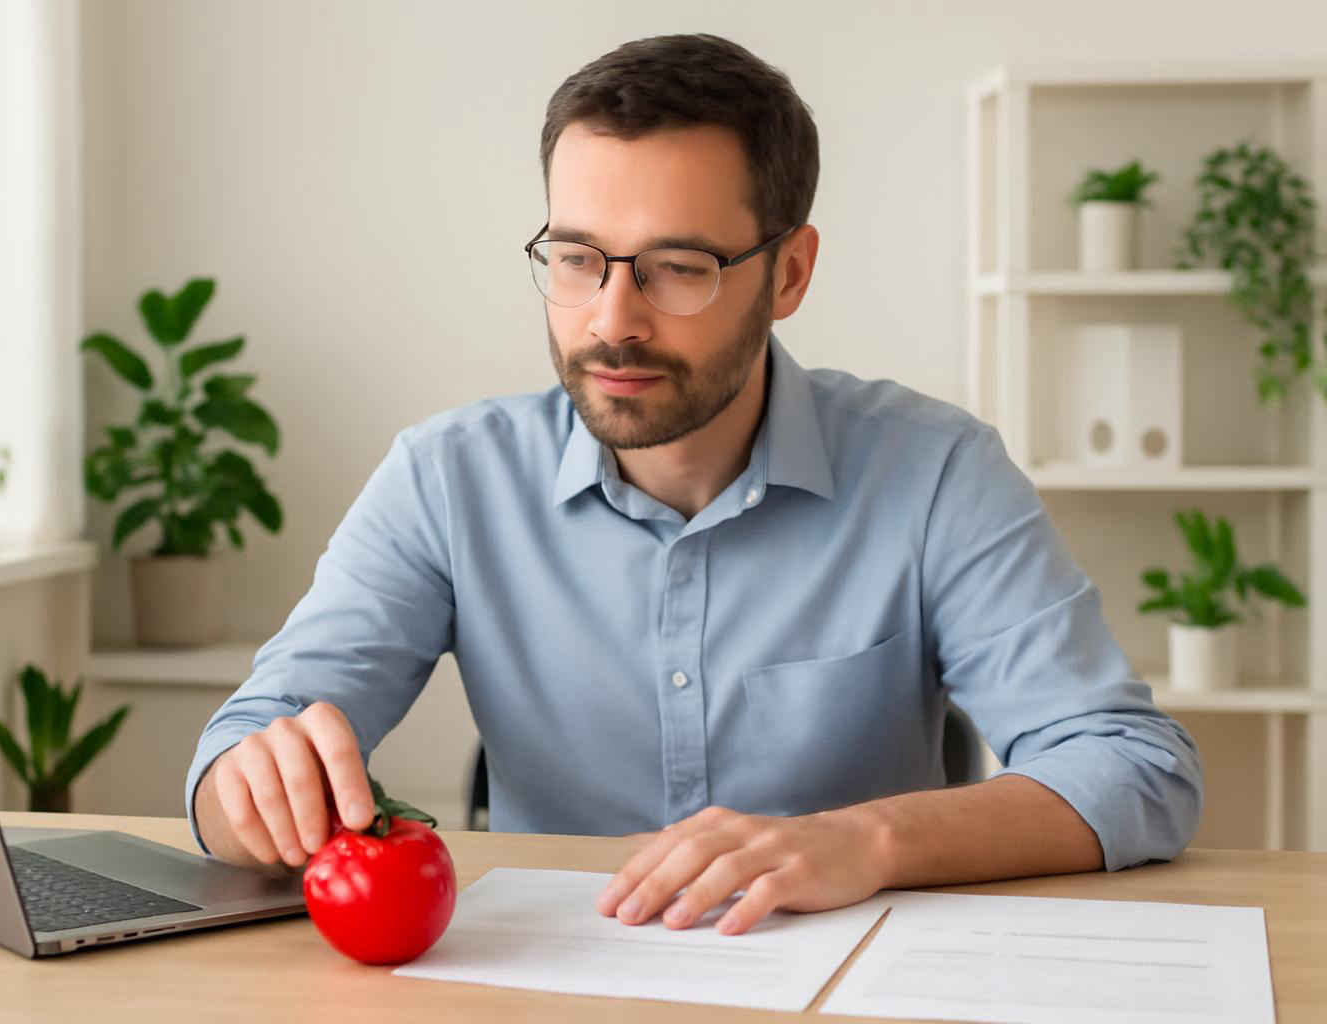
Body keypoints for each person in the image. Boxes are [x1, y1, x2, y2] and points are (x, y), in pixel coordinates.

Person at [186, 33, 1202, 937]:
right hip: (550, 980)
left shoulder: (934, 472)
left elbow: (1132, 768)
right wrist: (251, 787)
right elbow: (238, 749)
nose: (611, 318)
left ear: (790, 273)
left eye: (678, 266)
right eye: (578, 258)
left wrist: (865, 840)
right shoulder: (447, 478)